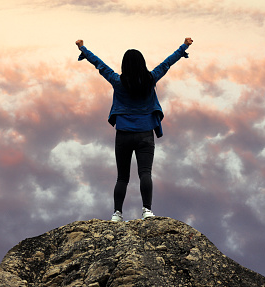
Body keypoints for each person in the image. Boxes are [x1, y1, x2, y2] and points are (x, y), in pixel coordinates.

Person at [76, 37, 193, 222]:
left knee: (122, 177)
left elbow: (100, 65)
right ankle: (147, 210)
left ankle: (117, 214)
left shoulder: (117, 81)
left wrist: (83, 49)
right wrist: (184, 46)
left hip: (123, 134)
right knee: (145, 173)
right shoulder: (150, 79)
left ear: (124, 65)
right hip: (145, 134)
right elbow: (167, 63)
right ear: (142, 64)